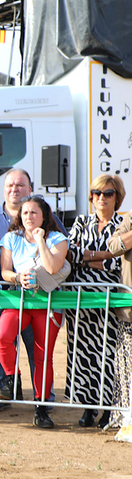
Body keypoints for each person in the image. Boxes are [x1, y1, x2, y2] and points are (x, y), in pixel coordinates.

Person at [0, 197, 69, 429]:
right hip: (20, 299)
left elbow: (52, 267)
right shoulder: (10, 238)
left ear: (44, 216)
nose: (28, 216)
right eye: (25, 212)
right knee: (2, 336)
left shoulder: (57, 238)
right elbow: (5, 272)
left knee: (42, 355)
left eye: (34, 212)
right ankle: (12, 379)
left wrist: (40, 240)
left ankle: (41, 408)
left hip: (47, 303)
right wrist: (17, 277)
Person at [67, 175, 124, 428]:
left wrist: (89, 255)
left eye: (108, 193)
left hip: (110, 301)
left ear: (117, 198)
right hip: (80, 299)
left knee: (108, 354)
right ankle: (88, 408)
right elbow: (71, 253)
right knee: (81, 353)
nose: (101, 198)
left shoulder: (123, 224)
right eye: (97, 193)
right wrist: (104, 255)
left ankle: (108, 410)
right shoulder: (81, 221)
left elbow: (119, 262)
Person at [106, 175, 132, 432]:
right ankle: (127, 417)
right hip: (129, 311)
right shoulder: (129, 219)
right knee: (127, 366)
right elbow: (113, 246)